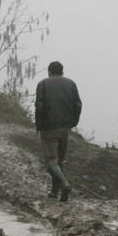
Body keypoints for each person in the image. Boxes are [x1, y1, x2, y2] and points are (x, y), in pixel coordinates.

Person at [34, 60, 81, 201]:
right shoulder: (71, 84)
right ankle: (54, 192)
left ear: (49, 72)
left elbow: (39, 106)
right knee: (60, 160)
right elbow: (78, 105)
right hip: (65, 128)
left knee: (51, 161)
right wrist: (73, 122)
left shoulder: (43, 84)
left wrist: (39, 125)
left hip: (49, 128)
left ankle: (65, 184)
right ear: (62, 71)